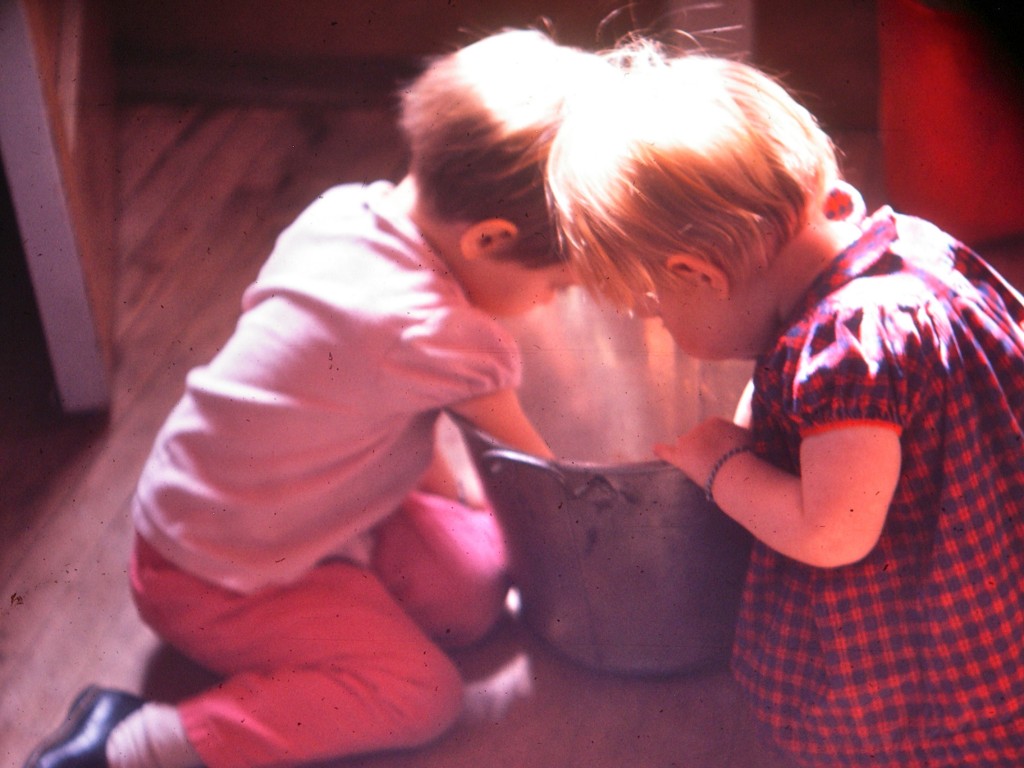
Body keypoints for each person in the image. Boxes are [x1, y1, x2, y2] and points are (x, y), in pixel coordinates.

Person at [26, 29, 602, 768]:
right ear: (489, 240)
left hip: (211, 513)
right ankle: (131, 743)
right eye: (556, 285)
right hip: (222, 578)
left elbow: (371, 412)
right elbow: (540, 477)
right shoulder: (447, 337)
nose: (553, 301)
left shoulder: (342, 214)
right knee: (422, 695)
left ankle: (346, 614)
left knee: (474, 597)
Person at [546, 43, 1024, 767]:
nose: (663, 328)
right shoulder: (912, 248)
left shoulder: (847, 344)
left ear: (698, 275)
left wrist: (722, 464)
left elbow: (833, 532)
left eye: (657, 310)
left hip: (932, 686)